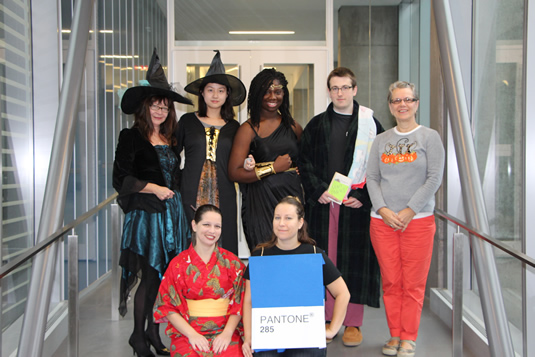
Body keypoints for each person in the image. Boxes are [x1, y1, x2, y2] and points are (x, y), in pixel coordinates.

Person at [113, 48, 192, 357]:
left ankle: (152, 331)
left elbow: (175, 178)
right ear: (144, 109)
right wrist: (153, 189)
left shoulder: (171, 141)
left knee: (162, 278)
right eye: (154, 106)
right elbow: (121, 179)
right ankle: (137, 336)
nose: (160, 111)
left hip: (171, 217)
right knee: (149, 276)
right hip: (146, 217)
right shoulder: (131, 137)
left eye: (164, 107)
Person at [298, 67, 384, 347]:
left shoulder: (371, 125)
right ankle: (324, 317)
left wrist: (366, 196)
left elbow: (381, 166)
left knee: (353, 262)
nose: (340, 93)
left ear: (354, 89)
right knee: (325, 259)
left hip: (354, 205)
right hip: (324, 204)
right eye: (335, 88)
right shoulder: (316, 124)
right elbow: (304, 161)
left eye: (345, 87)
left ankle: (352, 323)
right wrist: (318, 189)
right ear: (329, 91)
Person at [366, 81, 445, 357]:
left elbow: (434, 178)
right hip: (382, 222)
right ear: (390, 106)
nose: (403, 104)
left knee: (412, 283)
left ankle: (409, 337)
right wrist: (384, 209)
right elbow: (373, 178)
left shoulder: (430, 137)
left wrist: (410, 209)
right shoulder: (381, 140)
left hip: (418, 221)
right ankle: (394, 335)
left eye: (408, 100)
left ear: (416, 103)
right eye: (397, 100)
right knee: (390, 282)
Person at [242, 196, 350, 357]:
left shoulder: (314, 254)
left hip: (306, 337)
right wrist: (249, 337)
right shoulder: (260, 256)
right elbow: (249, 301)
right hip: (268, 337)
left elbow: (343, 293)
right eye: (277, 217)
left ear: (300, 222)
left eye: (288, 218)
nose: (281, 223)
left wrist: (332, 329)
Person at [177, 50, 246, 255]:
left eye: (221, 90)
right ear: (202, 93)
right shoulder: (187, 122)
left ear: (227, 95)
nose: (215, 95)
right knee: (191, 237)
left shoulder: (234, 127)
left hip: (223, 191)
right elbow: (172, 156)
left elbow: (240, 160)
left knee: (224, 238)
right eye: (210, 90)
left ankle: (224, 285)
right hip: (192, 191)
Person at [153, 204, 246, 357]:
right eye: (206, 225)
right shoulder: (178, 264)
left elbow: (241, 301)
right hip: (188, 331)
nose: (212, 231)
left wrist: (227, 333)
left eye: (217, 226)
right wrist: (192, 335)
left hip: (225, 330)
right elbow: (167, 305)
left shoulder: (232, 262)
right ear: (194, 225)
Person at [228, 68, 304, 252]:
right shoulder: (247, 129)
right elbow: (234, 172)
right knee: (265, 255)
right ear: (257, 94)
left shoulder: (293, 126)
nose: (272, 96)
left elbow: (305, 160)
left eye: (277, 92)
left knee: (293, 255)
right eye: (266, 91)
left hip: (292, 200)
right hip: (259, 203)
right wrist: (272, 168)